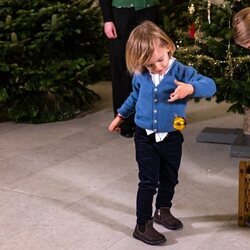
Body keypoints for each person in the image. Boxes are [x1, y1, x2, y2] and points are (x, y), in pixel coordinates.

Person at [108, 21, 216, 245]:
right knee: (148, 181)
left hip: (172, 136)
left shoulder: (182, 71)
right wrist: (120, 116)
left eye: (159, 60)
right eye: (149, 64)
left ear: (168, 46)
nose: (156, 67)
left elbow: (210, 85)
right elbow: (134, 98)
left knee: (170, 177)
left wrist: (191, 88)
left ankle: (163, 210)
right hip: (144, 137)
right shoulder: (140, 75)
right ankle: (142, 224)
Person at [99, 0, 160, 138]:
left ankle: (149, 120)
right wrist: (108, 19)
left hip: (149, 10)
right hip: (121, 13)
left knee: (150, 65)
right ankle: (124, 122)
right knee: (121, 66)